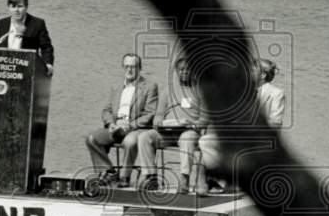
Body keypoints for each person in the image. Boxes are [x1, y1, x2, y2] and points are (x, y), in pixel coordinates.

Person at [198, 57, 286, 191]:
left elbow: (276, 122)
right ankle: (222, 180)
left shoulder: (276, 94)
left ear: (263, 74)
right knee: (206, 141)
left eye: (252, 70)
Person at [85, 54, 158, 188]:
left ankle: (125, 176)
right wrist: (111, 124)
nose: (129, 70)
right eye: (126, 66)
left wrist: (129, 126)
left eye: (133, 67)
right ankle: (109, 172)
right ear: (122, 67)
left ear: (139, 68)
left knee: (130, 142)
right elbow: (106, 110)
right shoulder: (116, 87)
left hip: (136, 128)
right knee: (91, 138)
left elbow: (150, 114)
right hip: (116, 126)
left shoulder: (149, 86)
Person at [136, 56, 207, 193]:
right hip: (167, 132)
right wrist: (158, 122)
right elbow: (159, 114)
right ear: (177, 71)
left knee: (187, 138)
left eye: (187, 70)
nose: (184, 73)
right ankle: (150, 177)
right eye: (181, 70)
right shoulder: (168, 90)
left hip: (189, 132)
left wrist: (193, 124)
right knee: (145, 137)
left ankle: (184, 178)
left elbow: (205, 119)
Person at [0, 0, 55, 76]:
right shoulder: (0, 24)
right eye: (13, 6)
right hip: (4, 69)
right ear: (9, 8)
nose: (16, 10)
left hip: (28, 69)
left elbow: (46, 47)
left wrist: (48, 64)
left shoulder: (38, 24)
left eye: (20, 6)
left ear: (26, 7)